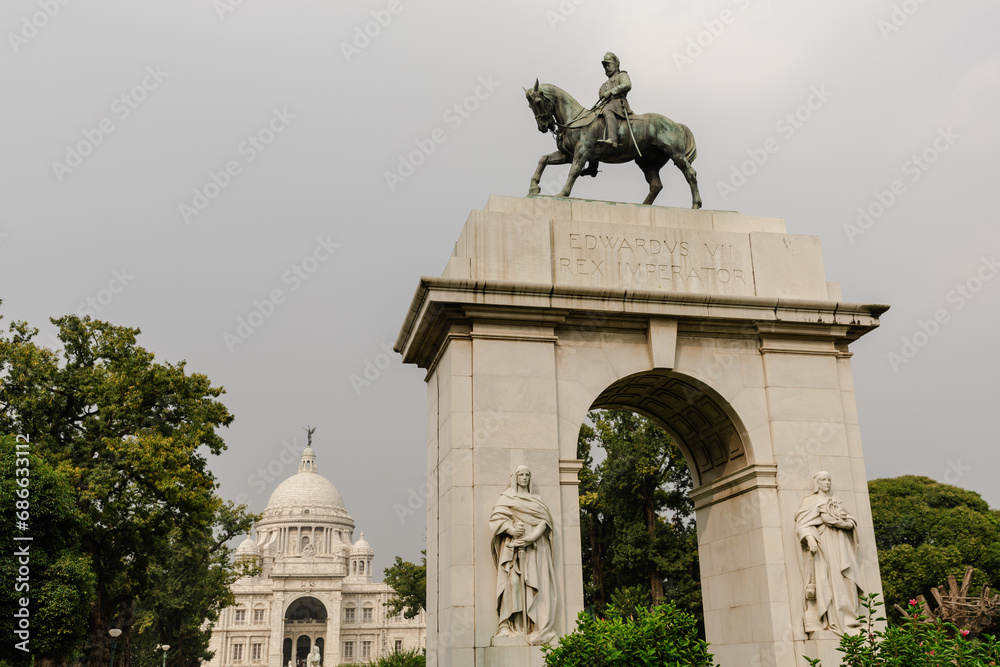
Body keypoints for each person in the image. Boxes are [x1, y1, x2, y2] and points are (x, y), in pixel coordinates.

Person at [489, 465, 557, 645]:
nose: (525, 478)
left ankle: (534, 627)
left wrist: (530, 538)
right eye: (521, 475)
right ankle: (508, 625)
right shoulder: (506, 498)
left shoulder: (537, 500)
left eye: (527, 475)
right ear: (515, 478)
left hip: (534, 550)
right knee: (512, 585)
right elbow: (497, 519)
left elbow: (545, 521)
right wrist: (511, 529)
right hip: (512, 550)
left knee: (534, 584)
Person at [794, 471, 865, 634]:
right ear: (817, 483)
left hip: (842, 545)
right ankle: (832, 618)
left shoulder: (836, 501)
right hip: (825, 545)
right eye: (824, 480)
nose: (827, 483)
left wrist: (844, 523)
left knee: (846, 579)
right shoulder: (809, 501)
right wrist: (810, 538)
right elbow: (802, 524)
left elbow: (851, 520)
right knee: (831, 579)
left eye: (829, 480)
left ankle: (850, 619)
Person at [596, 52, 633, 148]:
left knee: (607, 110)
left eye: (608, 64)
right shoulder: (603, 86)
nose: (606, 68)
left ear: (616, 64)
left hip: (618, 104)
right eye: (605, 66)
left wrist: (611, 92)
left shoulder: (622, 75)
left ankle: (613, 140)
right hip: (606, 106)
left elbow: (627, 85)